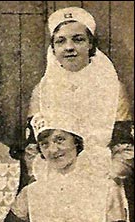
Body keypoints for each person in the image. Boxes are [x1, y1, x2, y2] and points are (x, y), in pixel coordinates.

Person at [0, 111, 131, 222]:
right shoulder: (31, 193)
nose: (53, 149)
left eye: (60, 140)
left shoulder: (106, 189)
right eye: (45, 144)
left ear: (76, 142)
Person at [25, 7, 133, 183]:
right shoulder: (42, 90)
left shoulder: (113, 87)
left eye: (78, 40)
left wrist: (110, 179)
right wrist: (41, 179)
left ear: (90, 44)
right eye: (61, 41)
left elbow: (125, 146)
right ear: (53, 48)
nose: (69, 47)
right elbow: (33, 147)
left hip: (102, 176)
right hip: (53, 177)